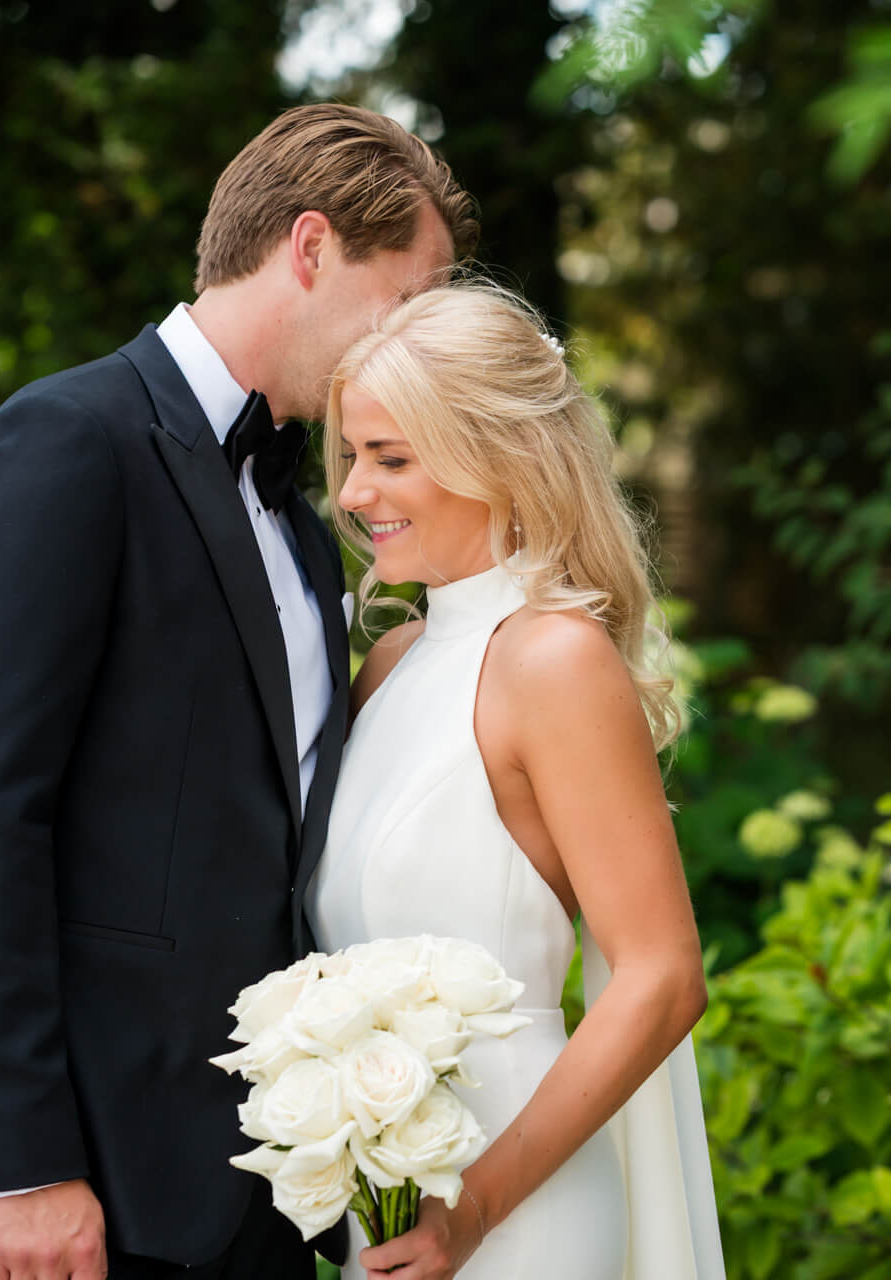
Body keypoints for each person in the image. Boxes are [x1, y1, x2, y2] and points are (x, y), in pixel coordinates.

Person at [0, 104, 475, 1280]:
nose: (412, 343)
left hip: (264, 1177)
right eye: (407, 298)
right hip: (88, 1185)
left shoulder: (308, 523)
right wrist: (20, 1165)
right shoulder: (64, 443)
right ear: (310, 247)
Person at [307, 282, 726, 1279]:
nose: (355, 493)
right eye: (353, 456)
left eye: (391, 457)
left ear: (497, 458)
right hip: (396, 1217)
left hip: (518, 1212)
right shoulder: (389, 664)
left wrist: (479, 1205)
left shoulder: (554, 659)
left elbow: (663, 974)